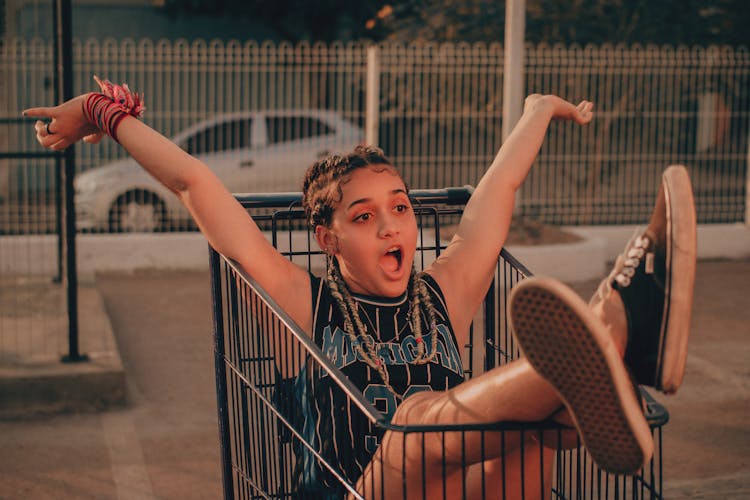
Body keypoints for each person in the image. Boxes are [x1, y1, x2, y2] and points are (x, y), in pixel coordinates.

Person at [24, 77, 696, 499]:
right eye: (364, 216)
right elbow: (194, 183)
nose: (390, 226)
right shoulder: (302, 303)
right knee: (410, 421)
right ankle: (615, 332)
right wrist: (100, 114)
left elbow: (500, 190)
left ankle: (591, 374)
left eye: (399, 207)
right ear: (329, 238)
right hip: (358, 492)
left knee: (523, 435)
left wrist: (538, 110)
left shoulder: (442, 294)